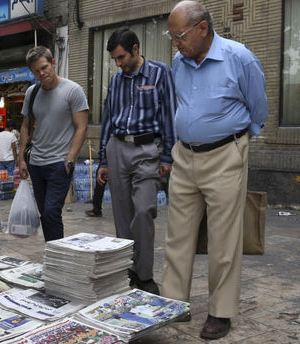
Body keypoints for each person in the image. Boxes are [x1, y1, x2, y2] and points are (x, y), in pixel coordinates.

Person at [161, 1, 268, 340]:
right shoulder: (179, 62)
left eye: (179, 35)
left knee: (224, 239)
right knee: (177, 235)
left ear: (203, 28)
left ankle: (220, 312)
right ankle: (173, 303)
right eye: (172, 36)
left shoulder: (239, 58)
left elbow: (258, 108)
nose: (175, 43)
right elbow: (181, 103)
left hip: (225, 156)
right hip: (185, 156)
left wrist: (237, 141)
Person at [96, 28, 177, 295]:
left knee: (143, 211)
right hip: (118, 148)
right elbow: (108, 120)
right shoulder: (117, 81)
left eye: (121, 57)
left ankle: (144, 275)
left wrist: (168, 155)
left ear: (135, 49)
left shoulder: (160, 73)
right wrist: (103, 160)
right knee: (122, 215)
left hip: (147, 150)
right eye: (114, 60)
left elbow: (169, 113)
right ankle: (127, 270)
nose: (118, 64)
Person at [18, 46, 89, 241]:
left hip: (59, 163)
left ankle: (58, 256)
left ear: (53, 63)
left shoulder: (73, 91)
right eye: (36, 71)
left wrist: (70, 160)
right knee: (45, 214)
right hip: (36, 163)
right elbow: (25, 126)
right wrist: (21, 159)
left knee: (51, 212)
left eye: (44, 67)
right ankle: (53, 253)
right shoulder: (32, 93)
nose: (42, 73)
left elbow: (82, 127)